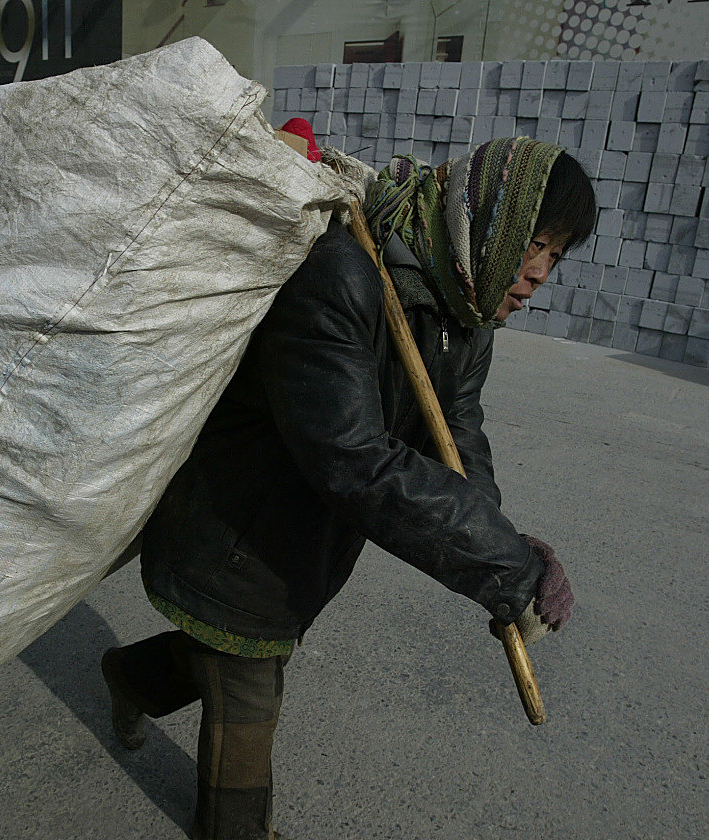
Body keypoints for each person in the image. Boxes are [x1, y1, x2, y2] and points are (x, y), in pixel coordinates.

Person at [101, 136, 598, 840]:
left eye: (557, 254)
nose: (541, 272)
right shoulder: (340, 273)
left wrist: (497, 550)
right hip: (236, 529)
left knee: (229, 662)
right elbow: (351, 458)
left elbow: (456, 430)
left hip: (305, 541)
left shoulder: (467, 306)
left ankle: (128, 678)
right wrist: (502, 564)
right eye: (535, 243)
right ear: (491, 223)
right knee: (248, 691)